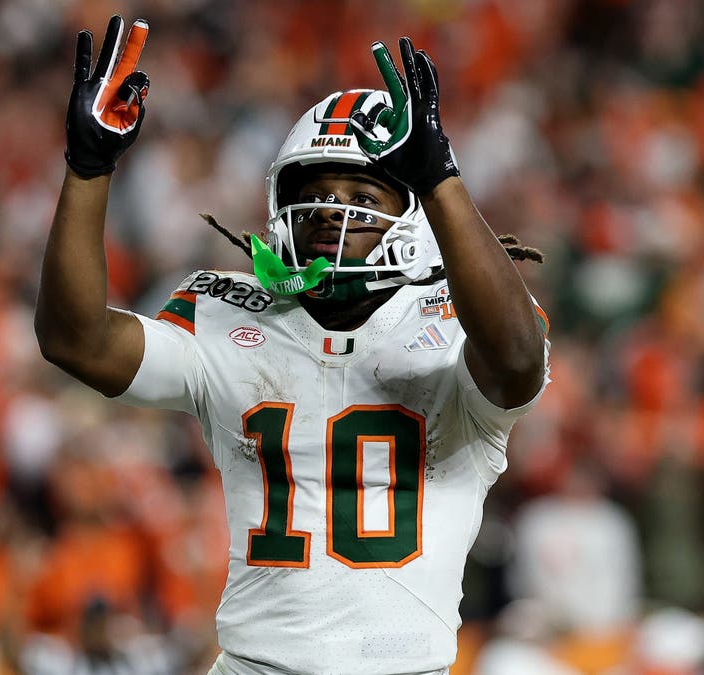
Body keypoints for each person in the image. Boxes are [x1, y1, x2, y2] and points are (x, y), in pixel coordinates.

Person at [35, 14, 550, 675]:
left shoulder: (461, 318)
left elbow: (515, 361)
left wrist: (441, 178)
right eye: (314, 193)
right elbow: (74, 339)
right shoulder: (229, 311)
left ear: (415, 212)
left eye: (361, 193)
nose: (331, 210)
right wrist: (88, 170)